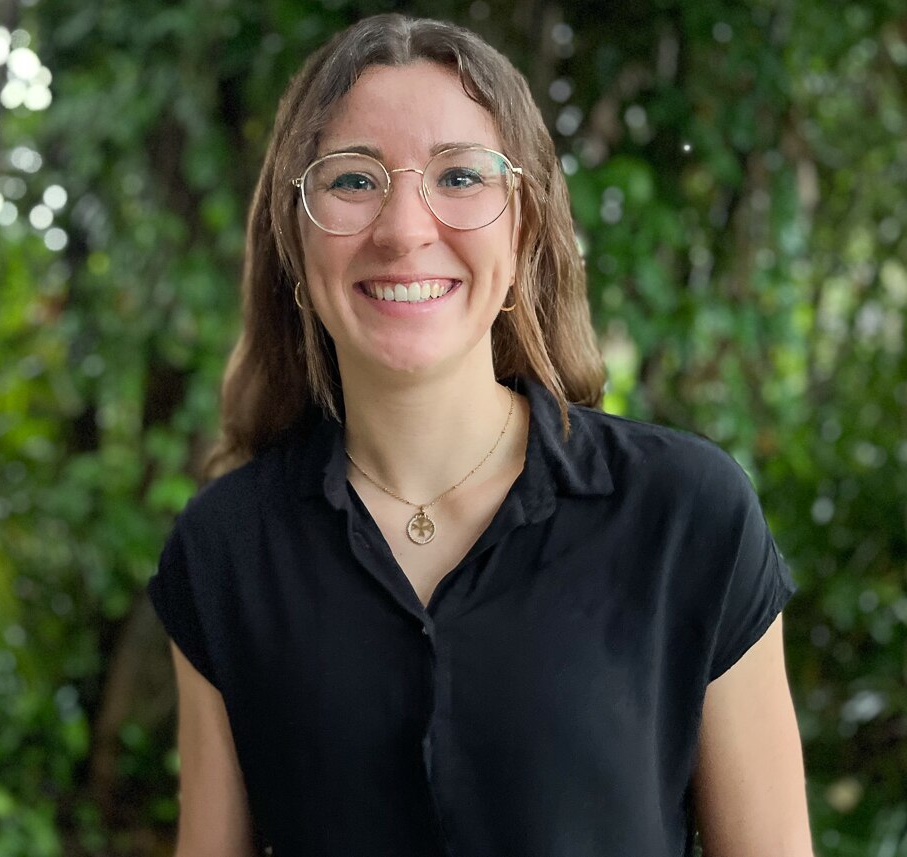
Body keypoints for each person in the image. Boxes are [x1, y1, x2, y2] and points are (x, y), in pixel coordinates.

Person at [147, 13, 813, 857]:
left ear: (524, 227)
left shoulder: (688, 515)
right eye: (352, 181)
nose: (403, 228)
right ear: (295, 235)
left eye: (460, 176)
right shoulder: (224, 552)